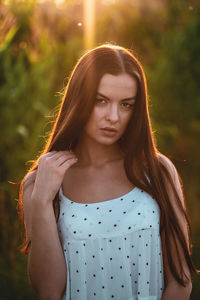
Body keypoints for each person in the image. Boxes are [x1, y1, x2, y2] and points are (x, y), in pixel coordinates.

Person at [18, 44, 197, 300]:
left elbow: (181, 282)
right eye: (101, 101)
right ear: (79, 100)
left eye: (126, 105)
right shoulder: (41, 183)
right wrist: (43, 200)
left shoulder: (158, 172)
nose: (114, 116)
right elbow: (48, 290)